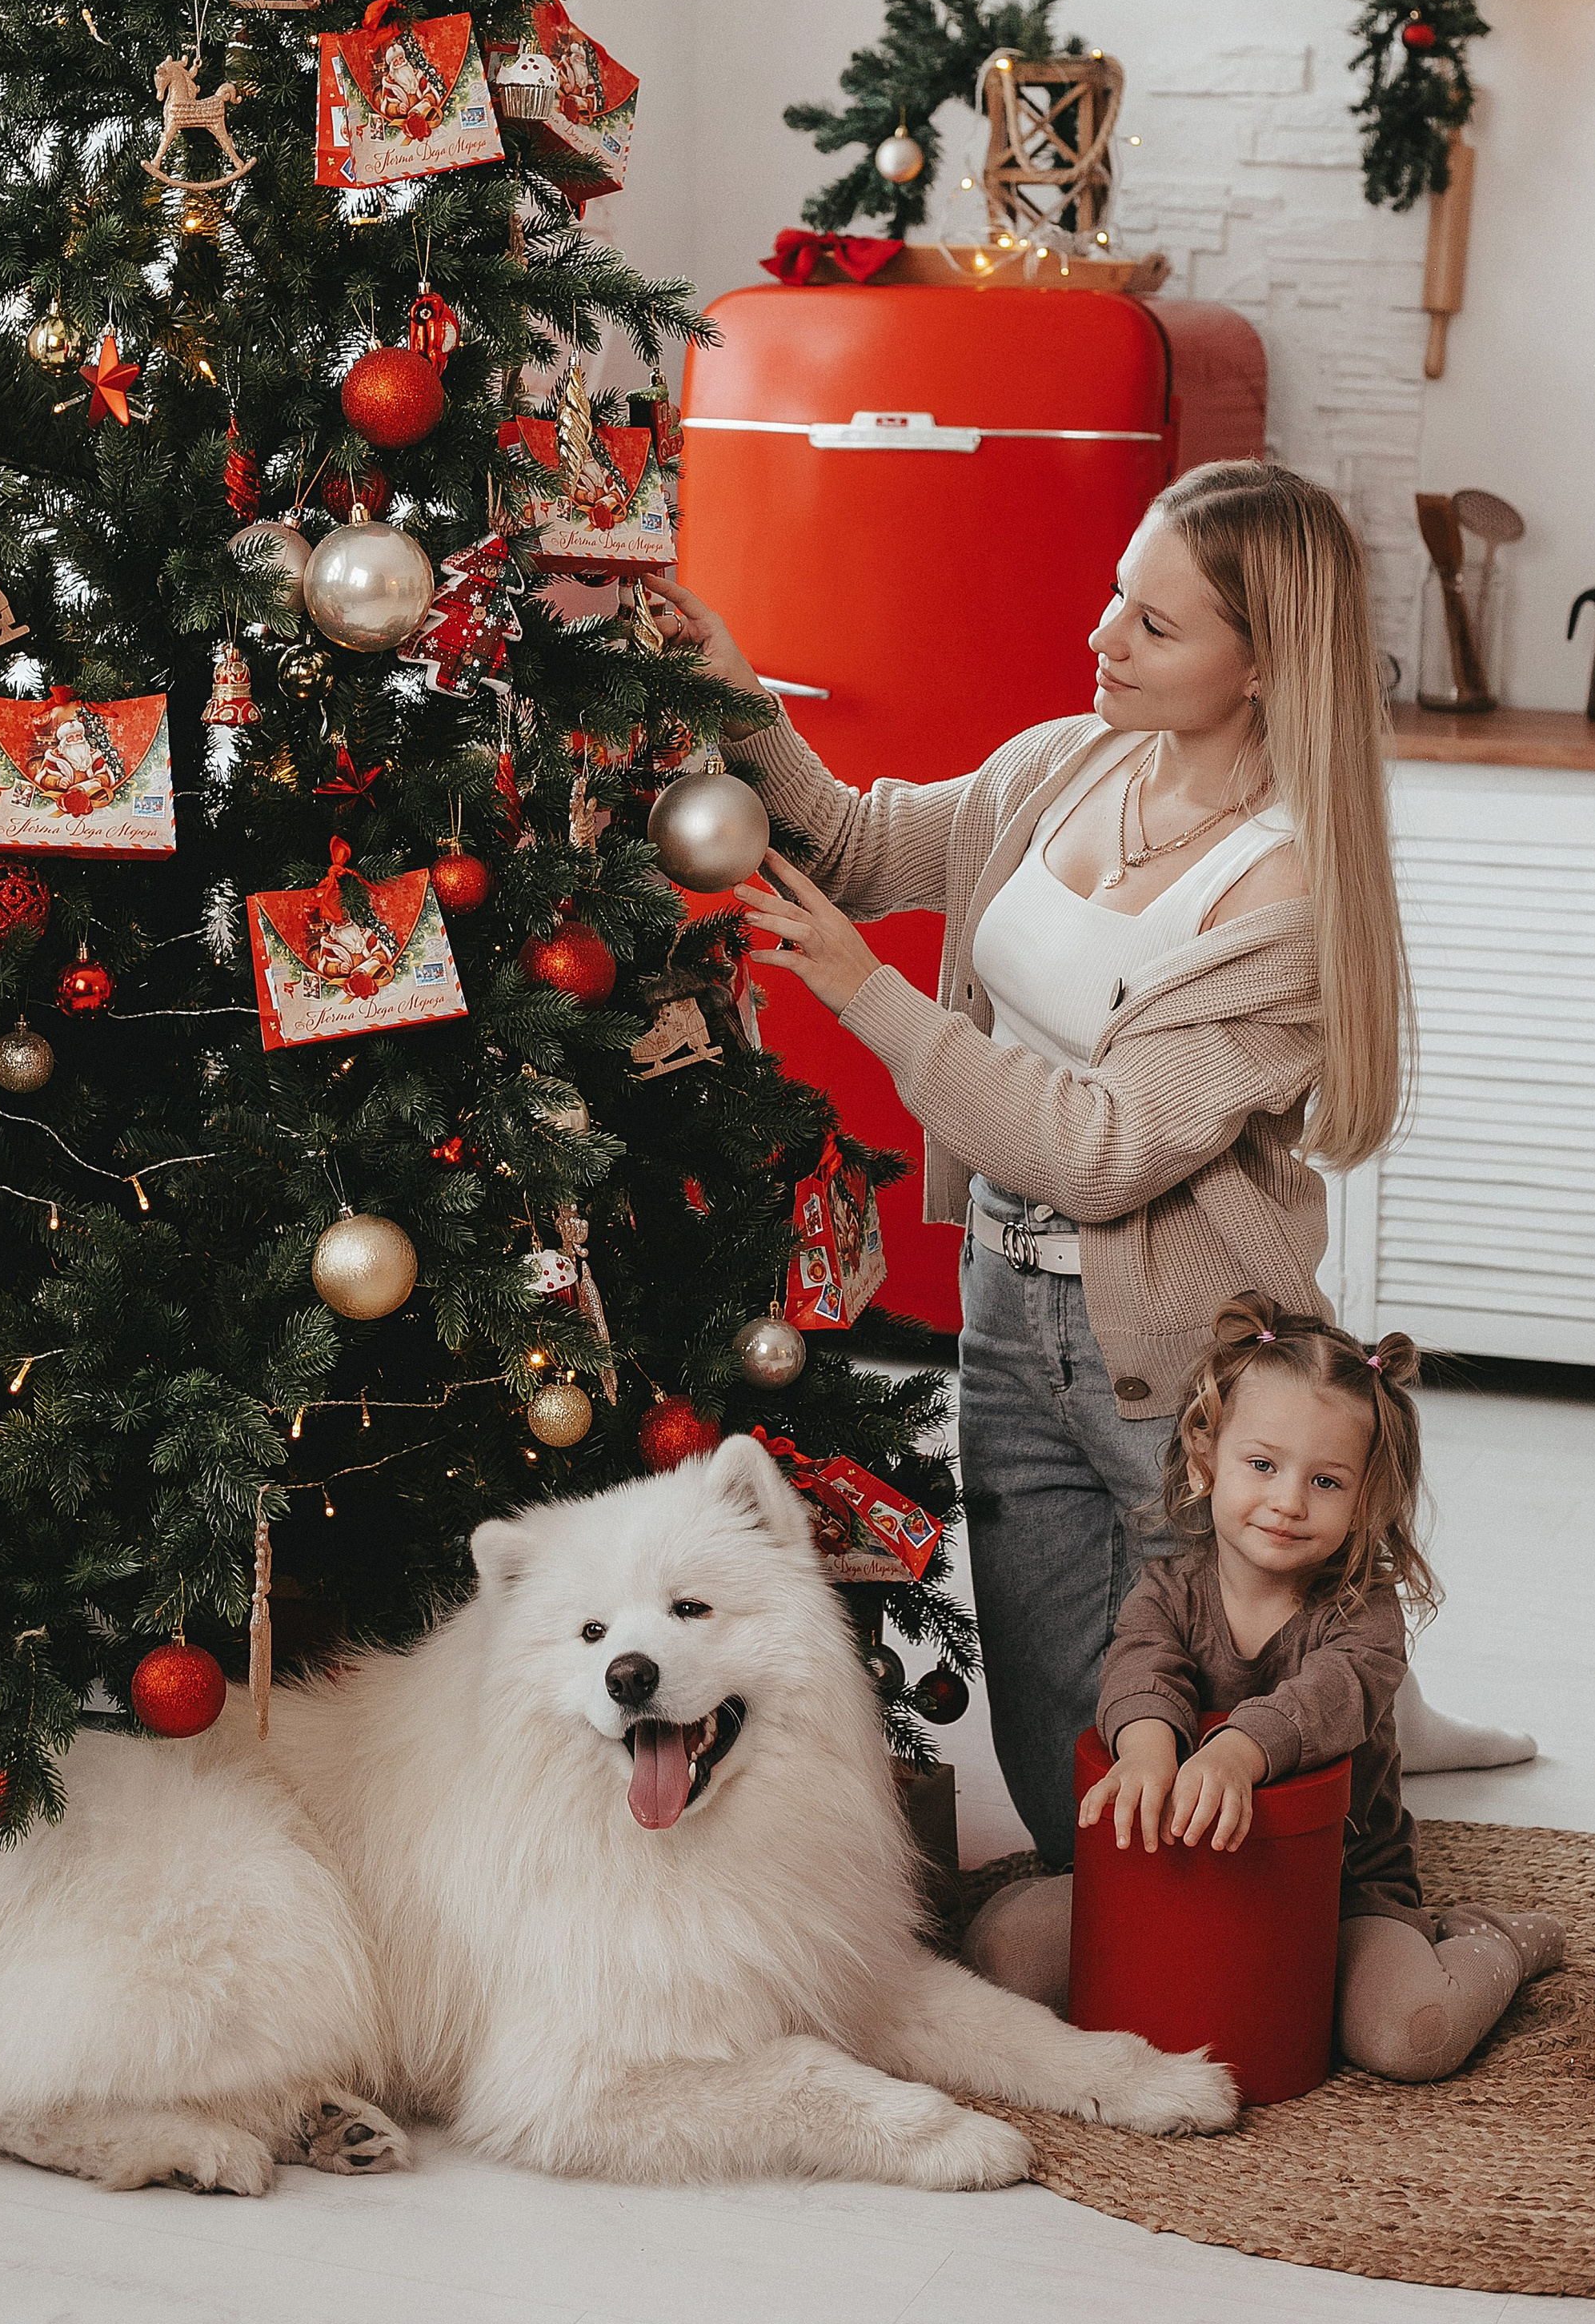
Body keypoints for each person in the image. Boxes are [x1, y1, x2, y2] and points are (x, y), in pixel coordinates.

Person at [647, 459, 1529, 1866]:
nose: (1104, 640)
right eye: (1120, 597)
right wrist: (731, 682)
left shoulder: (1282, 893)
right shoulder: (1065, 763)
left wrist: (872, 998)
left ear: (1260, 666)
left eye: (1156, 628)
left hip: (1186, 1345)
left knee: (1232, 1764)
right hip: (1004, 1306)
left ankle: (1375, 1812)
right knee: (1076, 1801)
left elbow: (1105, 1148)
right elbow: (864, 846)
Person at [964, 1302, 1564, 2080]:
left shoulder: (1365, 1617)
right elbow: (1140, 1665)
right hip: (1176, 1869)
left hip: (1335, 1898)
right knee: (1000, 1952)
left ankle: (1494, 1942)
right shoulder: (1167, 1589)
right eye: (1261, 1466)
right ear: (1206, 1457)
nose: (1287, 1502)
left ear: (1365, 1500)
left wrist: (1236, 1753)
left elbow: (1329, 1695)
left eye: (1325, 1481)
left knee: (1411, 2035)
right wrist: (1147, 1751)